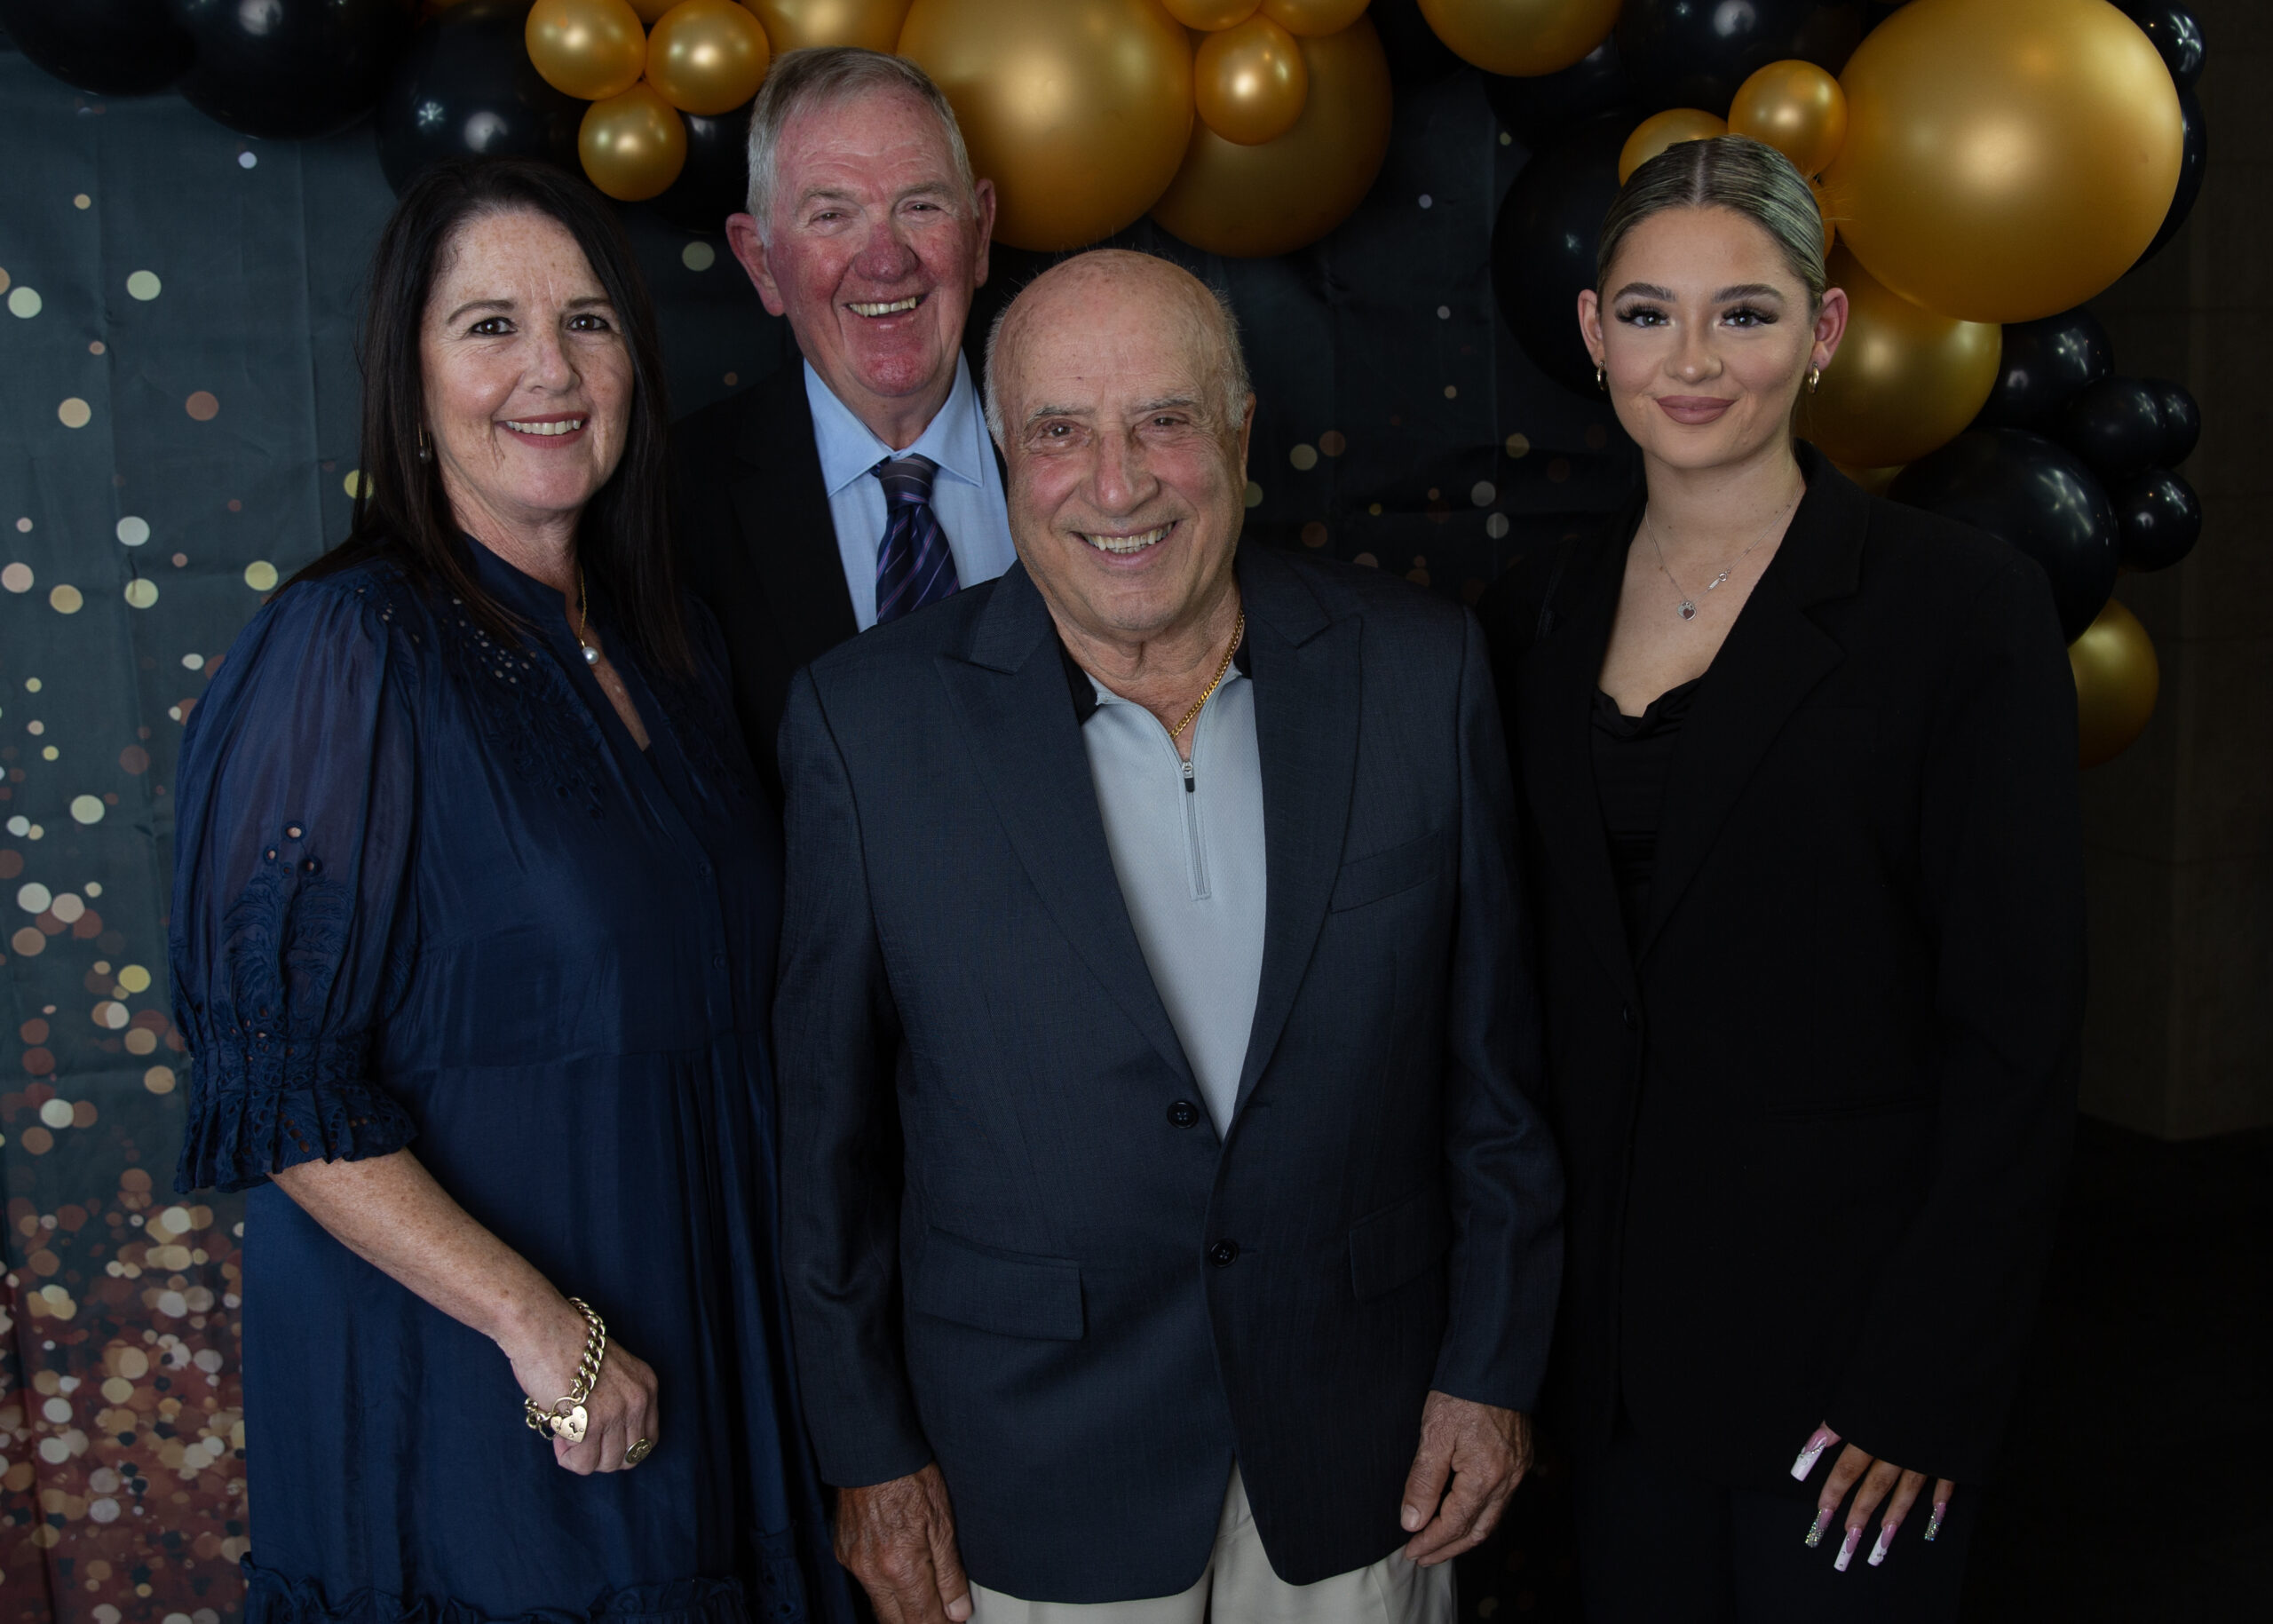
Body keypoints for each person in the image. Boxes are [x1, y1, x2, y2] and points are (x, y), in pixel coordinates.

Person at [774, 248, 1564, 1624]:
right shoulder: (866, 725)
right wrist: (868, 1454)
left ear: (1241, 437)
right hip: (1031, 1471)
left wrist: (1491, 1371)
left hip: (1365, 1453)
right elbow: (824, 1145)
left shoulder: (1421, 672)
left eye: (1163, 420)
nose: (1118, 482)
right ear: (1004, 456)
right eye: (1061, 432)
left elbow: (1496, 1084)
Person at [168, 157, 849, 1624]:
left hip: (715, 1352)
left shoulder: (675, 644)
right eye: (491, 326)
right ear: (410, 385)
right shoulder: (347, 648)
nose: (552, 369)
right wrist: (537, 1326)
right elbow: (278, 1086)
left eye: (588, 322)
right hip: (499, 1402)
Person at [1476, 135, 2085, 1622]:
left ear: (1824, 332)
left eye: (1743, 313)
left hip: (1851, 1376)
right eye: (1649, 313)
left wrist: (1927, 1379)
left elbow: (2018, 1037)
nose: (1692, 360)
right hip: (1610, 1368)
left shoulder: (1958, 606)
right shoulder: (1534, 605)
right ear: (1593, 332)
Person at [674, 47, 1014, 795]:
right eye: (831, 215)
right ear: (761, 261)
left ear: (981, 231)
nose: (886, 261)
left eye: (920, 206)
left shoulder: (1086, 447)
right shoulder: (672, 504)